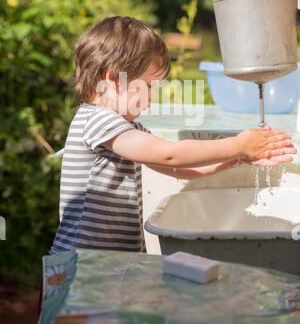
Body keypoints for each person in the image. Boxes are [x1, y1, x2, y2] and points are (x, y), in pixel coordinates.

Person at [49, 16, 296, 255]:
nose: (151, 97)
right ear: (114, 78)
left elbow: (181, 169)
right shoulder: (97, 121)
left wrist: (237, 159)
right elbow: (170, 156)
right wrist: (238, 145)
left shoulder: (129, 130)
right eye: (147, 86)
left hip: (110, 262)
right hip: (80, 263)